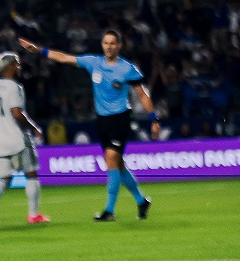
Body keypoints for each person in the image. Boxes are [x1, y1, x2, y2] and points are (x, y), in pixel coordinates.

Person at [20, 30, 160, 220]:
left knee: (111, 158)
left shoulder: (127, 69)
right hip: (102, 119)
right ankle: (141, 201)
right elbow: (64, 58)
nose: (109, 46)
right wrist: (39, 50)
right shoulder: (94, 62)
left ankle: (109, 211)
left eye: (112, 43)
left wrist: (154, 119)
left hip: (120, 117)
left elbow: (142, 94)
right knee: (117, 165)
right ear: (102, 45)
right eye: (106, 43)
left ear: (119, 46)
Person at [0, 53, 50, 225]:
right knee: (32, 174)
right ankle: (34, 215)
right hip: (18, 138)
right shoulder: (14, 87)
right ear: (9, 66)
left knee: (5, 178)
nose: (19, 67)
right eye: (17, 64)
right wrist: (34, 128)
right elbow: (17, 113)